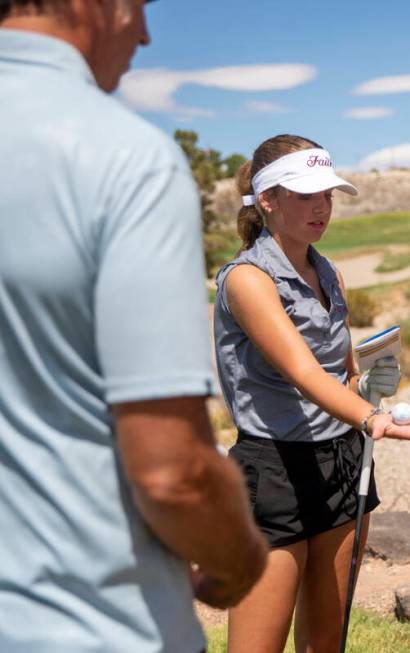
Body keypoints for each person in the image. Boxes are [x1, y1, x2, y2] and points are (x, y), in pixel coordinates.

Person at [0, 1, 268, 652]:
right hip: (93, 624)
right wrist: (240, 559)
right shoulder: (123, 159)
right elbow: (173, 472)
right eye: (138, 7)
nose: (145, 33)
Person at [213, 133, 410, 652]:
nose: (322, 208)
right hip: (274, 468)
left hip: (341, 458)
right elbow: (303, 372)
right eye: (306, 196)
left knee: (326, 641)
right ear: (268, 200)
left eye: (329, 196)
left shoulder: (329, 273)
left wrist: (369, 386)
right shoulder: (248, 280)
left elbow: (339, 373)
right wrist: (373, 419)